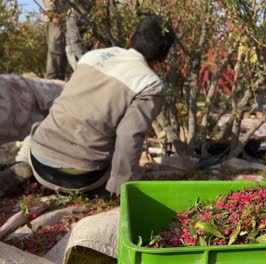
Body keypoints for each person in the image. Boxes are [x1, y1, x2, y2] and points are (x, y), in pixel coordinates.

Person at [1, 15, 175, 196]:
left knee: (35, 134)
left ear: (131, 37)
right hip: (81, 177)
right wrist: (120, 186)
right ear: (163, 58)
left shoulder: (92, 56)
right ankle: (96, 186)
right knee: (127, 165)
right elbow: (129, 135)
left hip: (39, 159)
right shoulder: (150, 84)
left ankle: (22, 164)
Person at [43, 0, 69, 80]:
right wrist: (53, 15)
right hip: (56, 18)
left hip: (69, 18)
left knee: (65, 56)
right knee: (56, 53)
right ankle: (53, 86)